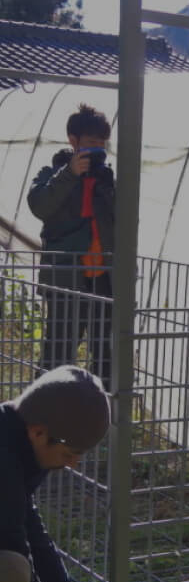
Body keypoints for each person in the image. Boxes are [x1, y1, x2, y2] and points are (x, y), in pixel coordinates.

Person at [0, 365, 111, 582]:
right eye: (69, 453)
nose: (74, 464)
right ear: (38, 433)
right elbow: (13, 552)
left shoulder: (13, 439)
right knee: (11, 571)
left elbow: (32, 535)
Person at [28, 103, 115, 390]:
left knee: (106, 356)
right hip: (66, 280)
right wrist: (69, 174)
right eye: (92, 141)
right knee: (58, 355)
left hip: (104, 281)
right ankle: (41, 410)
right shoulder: (51, 173)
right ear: (73, 140)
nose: (98, 148)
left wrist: (110, 187)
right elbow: (40, 205)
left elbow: (125, 221)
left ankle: (103, 413)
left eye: (102, 142)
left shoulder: (107, 178)